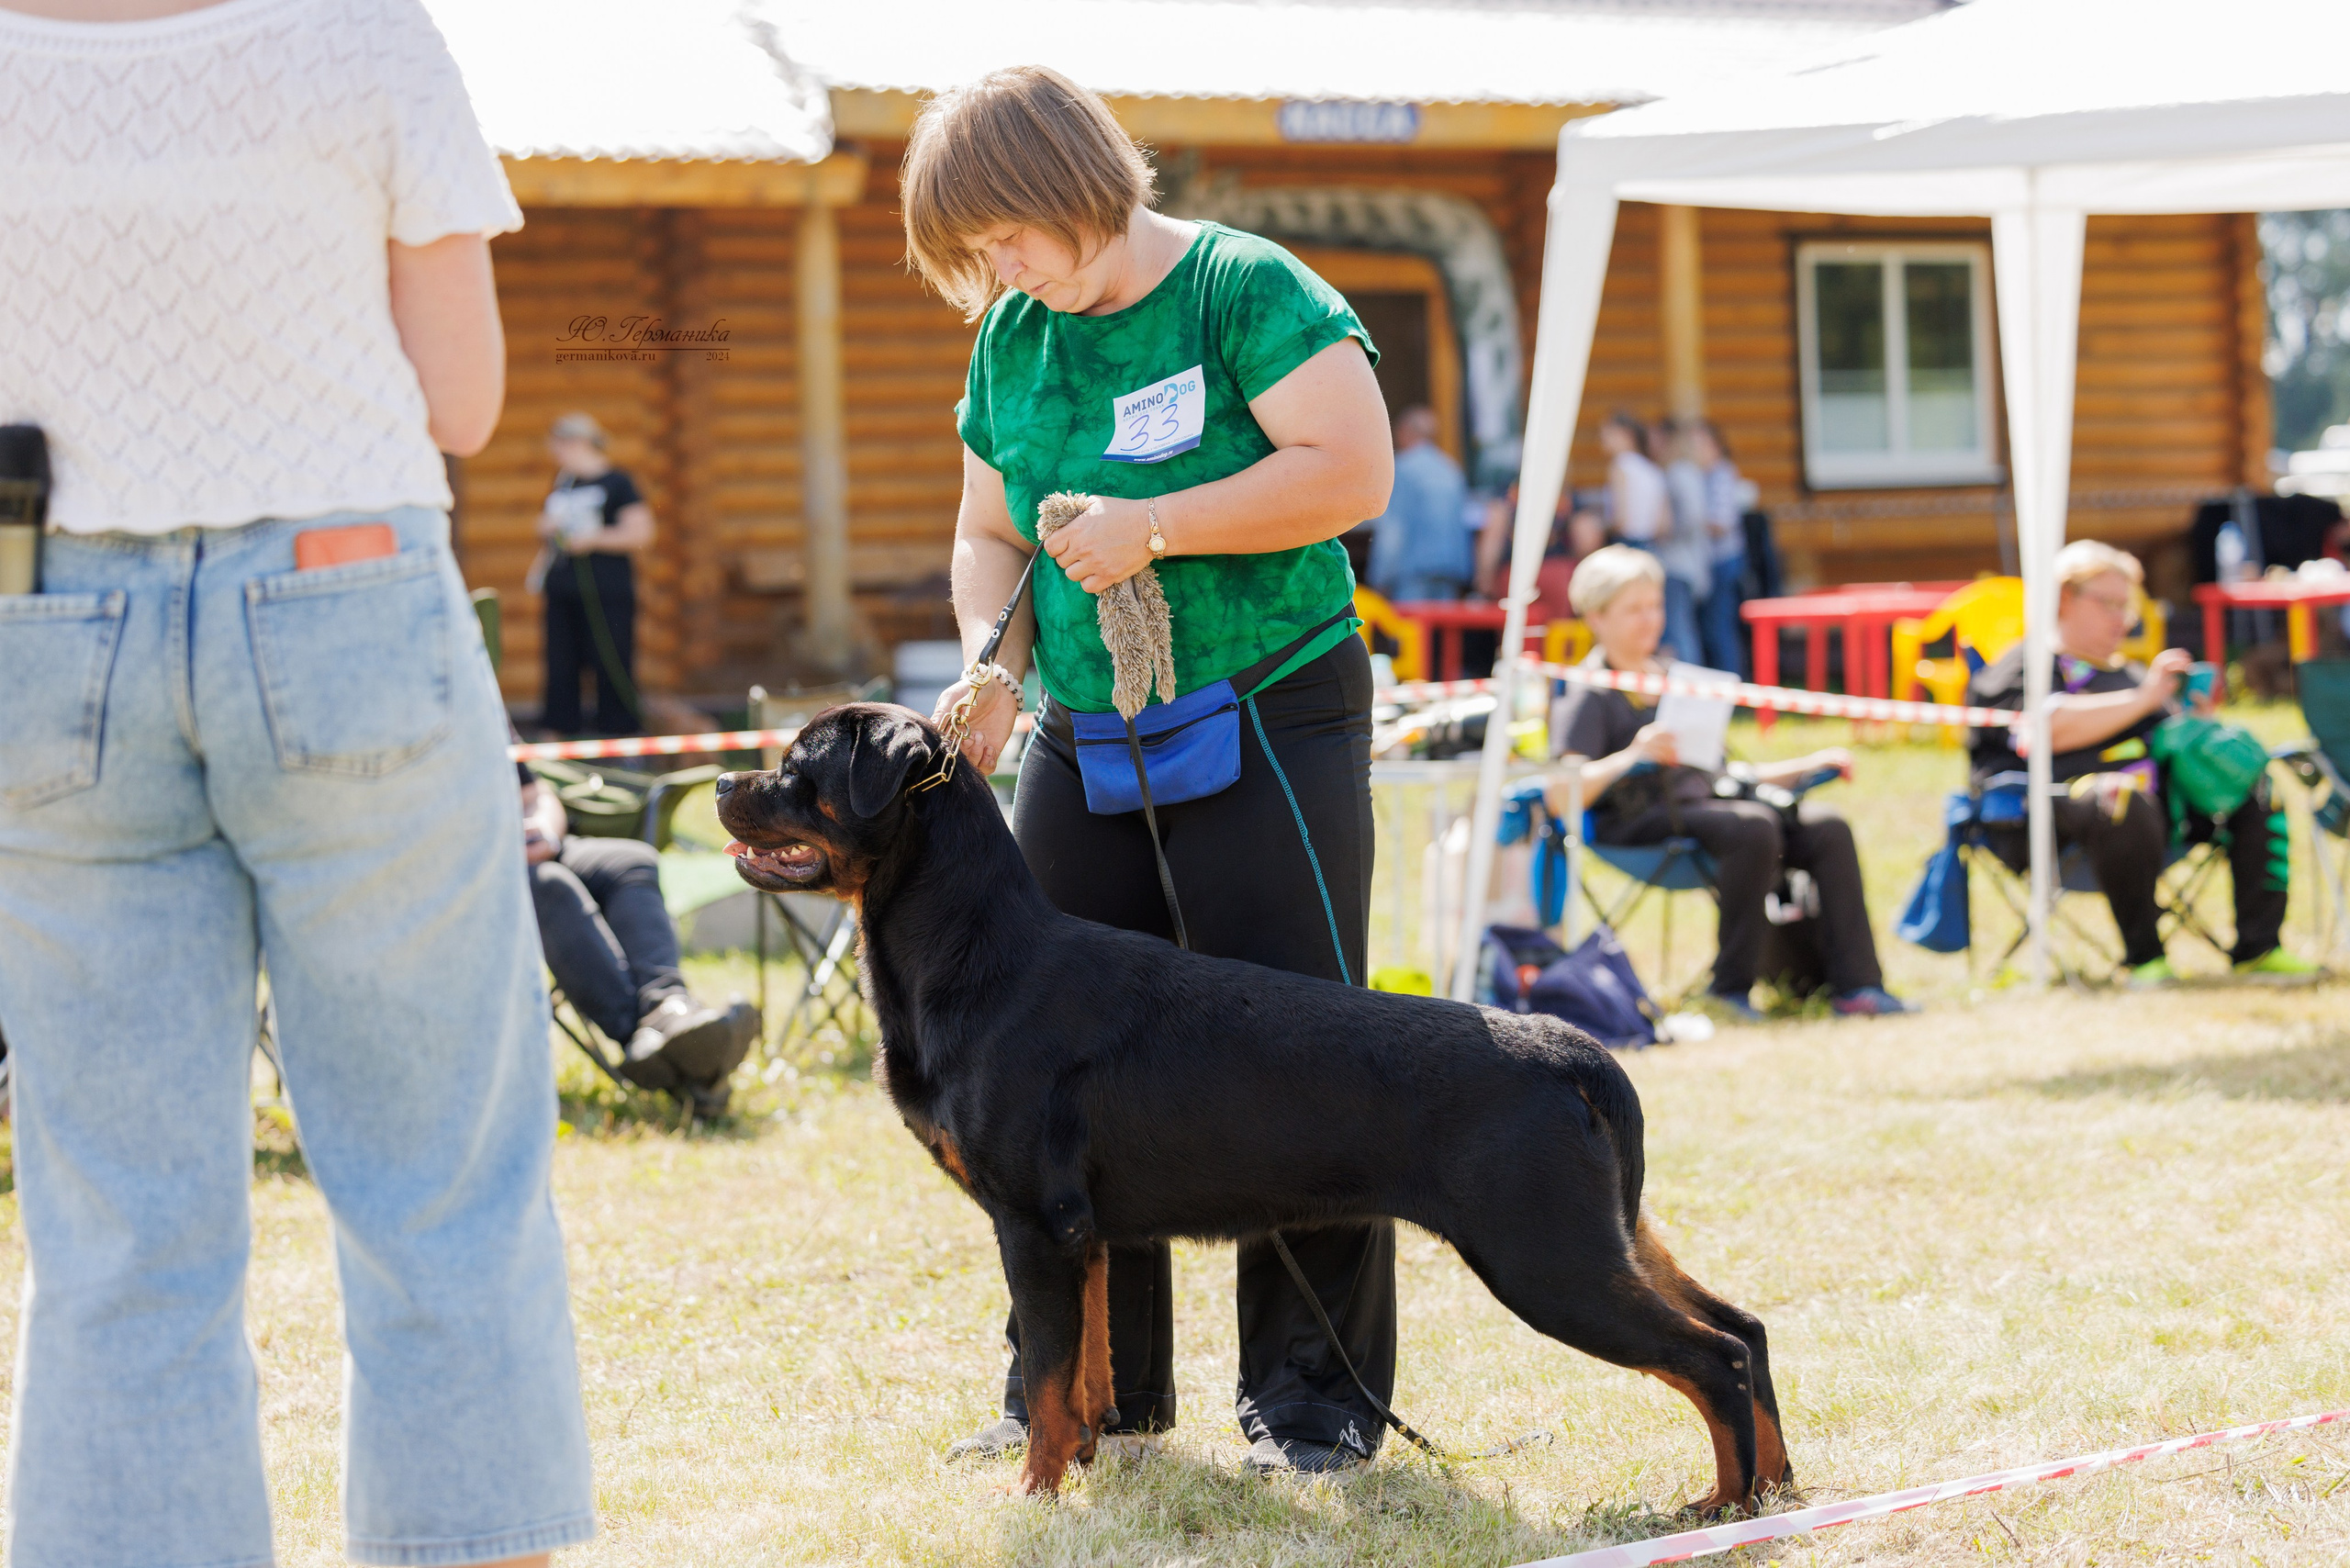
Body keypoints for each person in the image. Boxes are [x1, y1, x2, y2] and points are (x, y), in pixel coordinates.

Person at [0, 2, 595, 1564]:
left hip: (46, 615)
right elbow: (461, 402)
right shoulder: (359, 33)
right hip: (343, 585)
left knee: (120, 1226)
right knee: (439, 1188)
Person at [903, 65, 1398, 1475]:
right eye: (972, 257)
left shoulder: (1247, 288)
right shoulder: (1013, 337)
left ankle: (1314, 1401)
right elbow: (984, 532)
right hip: (1087, 733)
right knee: (1058, 1065)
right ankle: (1086, 1393)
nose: (993, 273)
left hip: (1269, 710)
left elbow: (1351, 470)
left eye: (1005, 238)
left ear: (1073, 185)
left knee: (1303, 1050)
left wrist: (1159, 526)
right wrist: (989, 659)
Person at [1550, 546, 1911, 1021]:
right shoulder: (1588, 694)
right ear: (1595, 617)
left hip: (1712, 811)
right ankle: (1730, 988)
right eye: (1633, 609)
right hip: (1636, 825)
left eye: (1655, 605)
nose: (1649, 619)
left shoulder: (1677, 680)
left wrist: (1810, 762)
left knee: (1827, 827)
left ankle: (1858, 986)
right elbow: (1560, 795)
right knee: (1753, 826)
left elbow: (1728, 776)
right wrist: (1631, 756)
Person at [1966, 540, 2319, 987]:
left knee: (2251, 784)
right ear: (2064, 599)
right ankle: (2145, 958)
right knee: (2119, 793)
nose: (2122, 619)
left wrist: (2198, 726)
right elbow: (2041, 732)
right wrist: (2145, 698)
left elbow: (2173, 747)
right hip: (2044, 819)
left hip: (2161, 816)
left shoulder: (2130, 674)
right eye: (2109, 604)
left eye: (2126, 607)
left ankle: (2259, 947)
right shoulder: (2022, 667)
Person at [520, 763, 758, 1112]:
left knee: (632, 859)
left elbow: (535, 794)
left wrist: (544, 830)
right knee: (549, 885)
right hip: (474, 873)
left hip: (539, 848)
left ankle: (664, 1006)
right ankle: (662, 1046)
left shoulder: (484, 713)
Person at [535, 411, 653, 736]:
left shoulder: (618, 482)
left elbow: (641, 533)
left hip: (606, 593)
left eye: (558, 447)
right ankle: (557, 736)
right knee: (561, 666)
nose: (555, 455)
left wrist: (594, 539)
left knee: (610, 662)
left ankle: (620, 738)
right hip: (562, 592)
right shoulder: (563, 483)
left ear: (578, 443)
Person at [1602, 412, 1704, 663]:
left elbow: (1621, 518)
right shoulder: (1653, 470)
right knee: (1669, 627)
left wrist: (1604, 528)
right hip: (1652, 550)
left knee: (1626, 621)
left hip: (1628, 545)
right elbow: (1663, 525)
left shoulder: (1622, 465)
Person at [1364, 404, 1472, 602]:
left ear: (1405, 432)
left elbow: (1393, 530)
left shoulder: (1402, 469)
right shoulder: (1450, 469)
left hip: (1411, 571)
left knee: (1410, 631)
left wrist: (1379, 577)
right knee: (1442, 631)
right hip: (1450, 569)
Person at [1687, 420, 1750, 677]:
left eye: (1698, 444)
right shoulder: (1706, 476)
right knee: (1715, 628)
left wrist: (1691, 521)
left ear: (1714, 446)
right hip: (1714, 563)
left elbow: (1722, 523)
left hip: (1724, 562)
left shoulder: (1721, 475)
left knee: (1721, 629)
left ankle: (1732, 689)